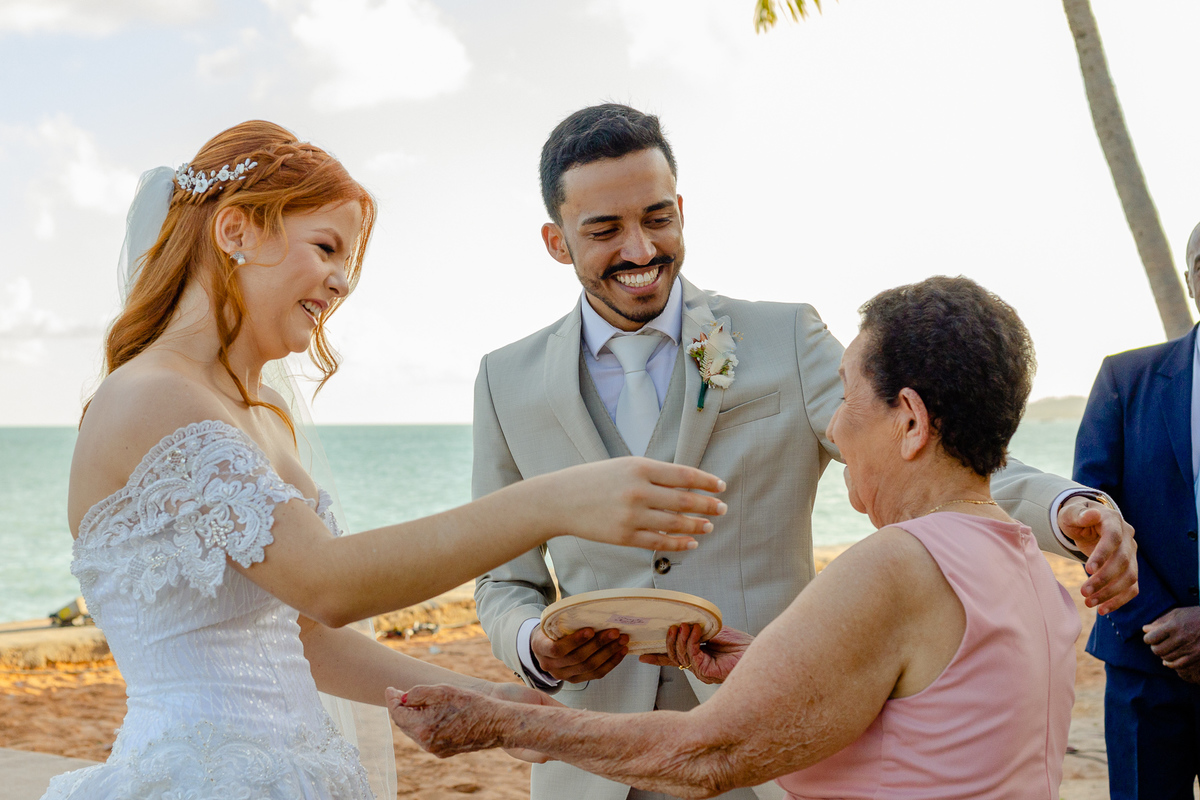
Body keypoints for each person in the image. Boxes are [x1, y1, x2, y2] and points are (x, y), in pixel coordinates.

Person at [41, 120, 727, 800]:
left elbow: (306, 636)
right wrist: (553, 502)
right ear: (235, 231)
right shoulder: (152, 394)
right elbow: (329, 584)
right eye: (326, 247)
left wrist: (489, 698)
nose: (341, 284)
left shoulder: (261, 414)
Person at [470, 103, 1137, 800]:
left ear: (682, 210)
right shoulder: (504, 381)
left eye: (658, 218)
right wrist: (532, 646)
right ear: (557, 241)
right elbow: (501, 576)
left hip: (773, 750)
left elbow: (932, 452)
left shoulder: (783, 338)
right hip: (591, 768)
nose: (640, 251)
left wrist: (1067, 509)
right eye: (605, 230)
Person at [393, 276, 1084, 799]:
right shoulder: (1032, 574)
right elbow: (922, 723)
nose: (833, 425)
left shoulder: (896, 565)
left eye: (846, 397)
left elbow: (708, 756)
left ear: (909, 421)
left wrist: (501, 723)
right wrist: (766, 667)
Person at [1072, 221, 1200, 799]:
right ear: (1188, 280)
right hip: (1143, 665)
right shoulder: (1124, 379)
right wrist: (1161, 624)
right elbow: (1089, 517)